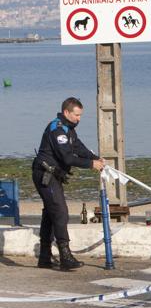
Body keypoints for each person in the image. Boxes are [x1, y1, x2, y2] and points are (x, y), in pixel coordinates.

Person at [32, 97, 105, 270]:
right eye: (76, 115)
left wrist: (94, 158)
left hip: (53, 175)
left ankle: (44, 257)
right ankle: (65, 256)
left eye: (80, 115)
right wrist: (91, 165)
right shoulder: (57, 129)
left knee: (51, 214)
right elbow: (67, 157)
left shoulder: (69, 129)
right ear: (66, 112)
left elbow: (78, 148)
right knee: (60, 213)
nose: (79, 119)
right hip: (44, 174)